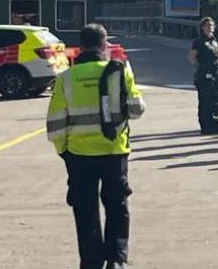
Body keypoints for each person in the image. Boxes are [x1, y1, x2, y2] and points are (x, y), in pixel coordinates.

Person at [46, 23, 145, 269]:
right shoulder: (119, 71)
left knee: (85, 209)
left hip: (79, 155)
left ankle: (91, 262)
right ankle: (116, 259)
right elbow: (136, 110)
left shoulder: (66, 78)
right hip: (114, 152)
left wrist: (64, 151)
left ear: (80, 48)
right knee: (117, 205)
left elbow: (55, 124)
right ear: (104, 45)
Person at [188, 17, 218, 135]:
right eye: (208, 26)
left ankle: (216, 123)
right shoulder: (199, 42)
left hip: (216, 74)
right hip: (204, 76)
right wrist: (202, 67)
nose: (210, 28)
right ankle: (206, 125)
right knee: (205, 101)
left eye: (212, 26)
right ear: (202, 28)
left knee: (217, 100)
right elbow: (191, 57)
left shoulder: (214, 42)